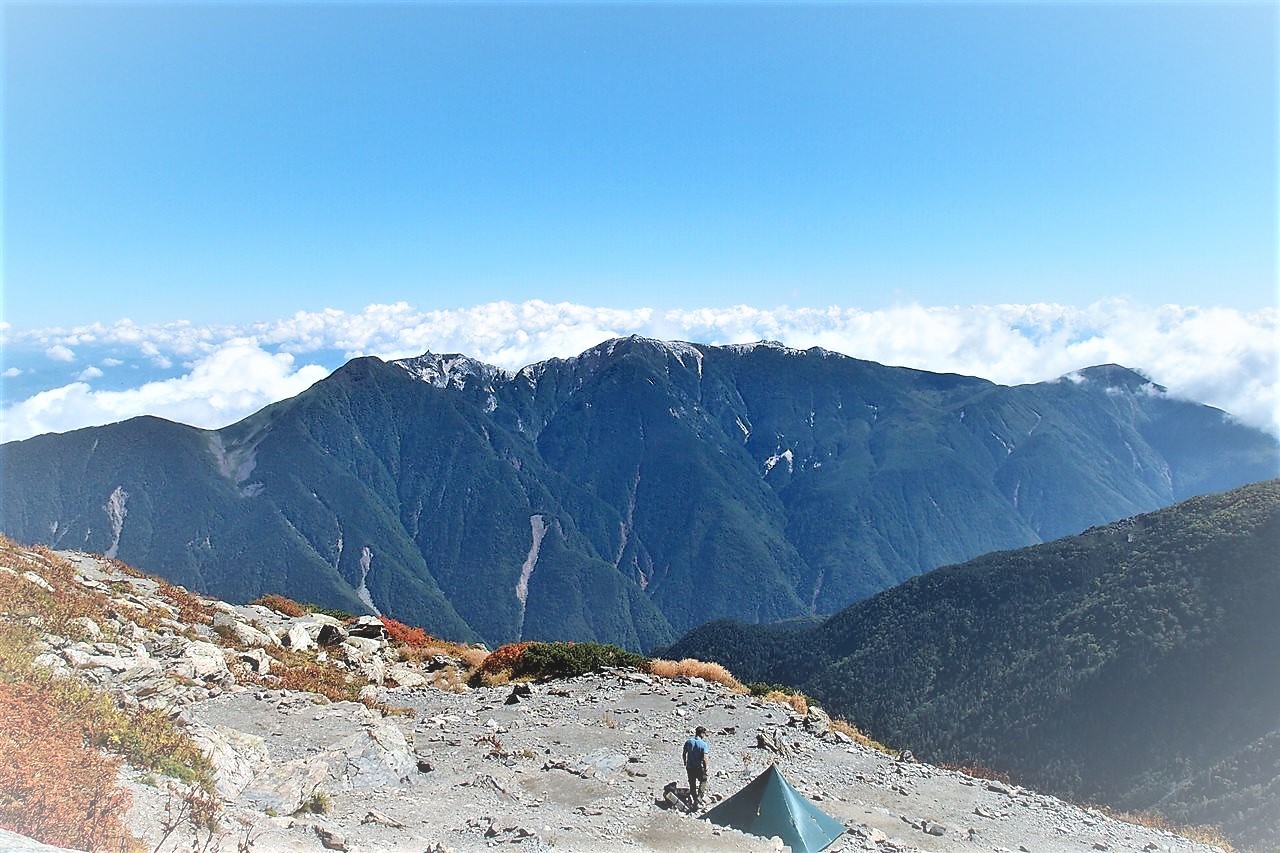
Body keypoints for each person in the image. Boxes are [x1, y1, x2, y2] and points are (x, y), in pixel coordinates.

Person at [682, 725, 709, 809]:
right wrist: (705, 768)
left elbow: (684, 753)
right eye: (704, 733)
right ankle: (699, 798)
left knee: (692, 784)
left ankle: (694, 800)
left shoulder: (689, 741)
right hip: (698, 767)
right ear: (702, 733)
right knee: (703, 780)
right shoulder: (703, 744)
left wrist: (685, 762)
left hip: (690, 767)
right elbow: (704, 758)